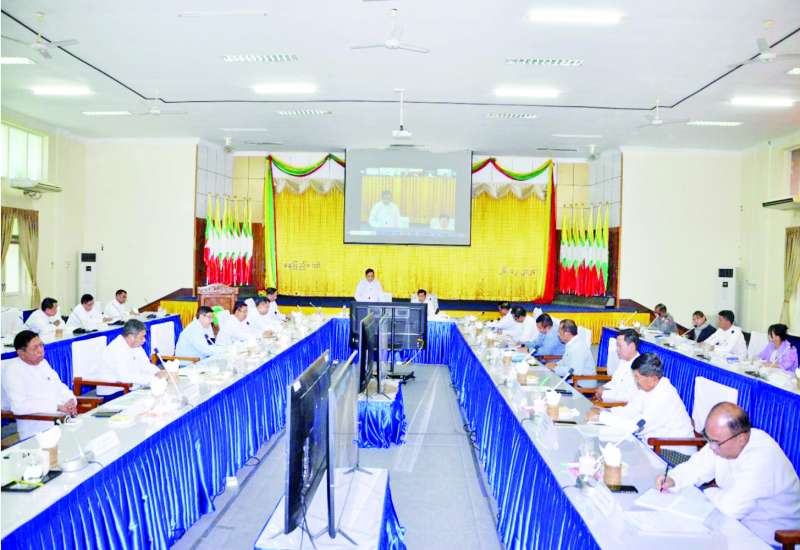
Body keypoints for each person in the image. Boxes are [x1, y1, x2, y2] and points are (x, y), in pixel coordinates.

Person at [656, 402, 800, 545]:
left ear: (741, 439)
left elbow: (731, 508)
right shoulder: (723, 442)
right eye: (708, 439)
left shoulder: (762, 456)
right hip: (736, 526)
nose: (711, 447)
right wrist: (673, 479)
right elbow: (695, 467)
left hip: (772, 539)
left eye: (715, 442)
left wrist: (709, 491)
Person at [589, 353, 695, 454]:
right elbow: (630, 410)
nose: (635, 381)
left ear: (653, 378)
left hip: (673, 450)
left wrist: (601, 417)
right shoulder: (647, 388)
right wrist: (606, 411)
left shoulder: (664, 395)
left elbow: (636, 427)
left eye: (637, 377)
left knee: (614, 450)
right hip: (653, 442)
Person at [3, 331, 77, 440]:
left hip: (61, 419)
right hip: (37, 426)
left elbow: (59, 386)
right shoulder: (13, 371)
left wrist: (70, 400)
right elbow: (19, 406)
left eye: (41, 345)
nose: (40, 350)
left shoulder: (43, 363)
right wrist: (56, 406)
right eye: (35, 348)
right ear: (21, 353)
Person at [96, 319, 163, 398]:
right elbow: (125, 377)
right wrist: (153, 379)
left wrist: (158, 372)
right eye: (142, 337)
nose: (144, 340)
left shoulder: (135, 345)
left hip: (129, 386)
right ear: (131, 337)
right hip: (114, 391)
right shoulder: (116, 349)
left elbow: (145, 364)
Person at [546, 319, 596, 388]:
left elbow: (574, 371)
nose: (558, 334)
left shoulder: (578, 347)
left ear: (567, 333)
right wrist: (555, 364)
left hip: (581, 386)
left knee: (548, 385)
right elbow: (565, 360)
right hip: (572, 380)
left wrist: (555, 368)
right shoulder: (571, 343)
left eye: (559, 332)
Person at [593, 328, 640, 403]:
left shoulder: (639, 367)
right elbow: (614, 383)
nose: (617, 350)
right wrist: (603, 388)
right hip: (610, 400)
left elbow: (628, 397)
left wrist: (604, 394)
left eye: (619, 346)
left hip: (621, 406)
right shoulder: (623, 360)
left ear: (631, 346)